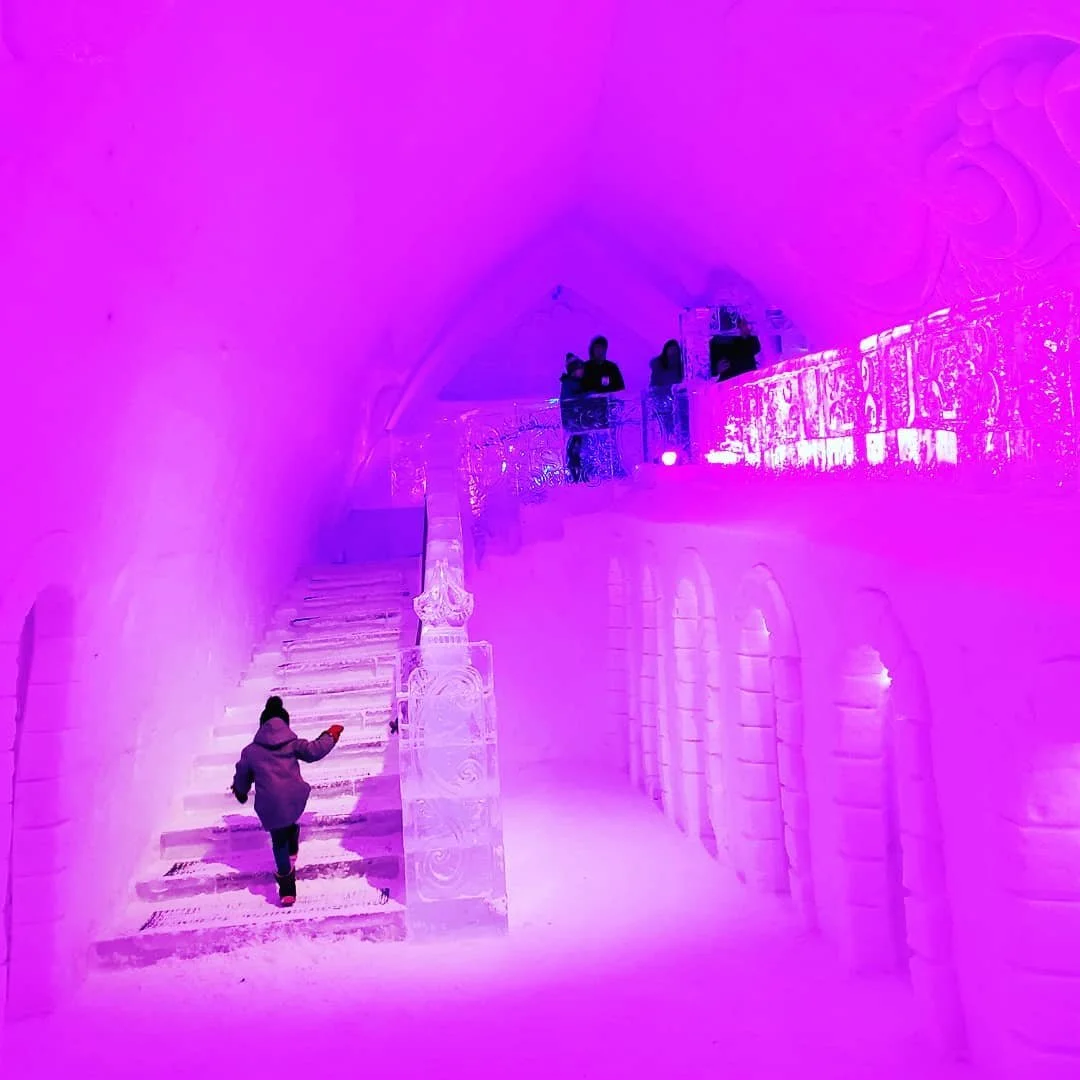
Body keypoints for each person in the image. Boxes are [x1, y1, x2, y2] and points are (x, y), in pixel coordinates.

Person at [231, 695, 344, 906]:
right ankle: (292, 837)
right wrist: (330, 735)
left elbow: (242, 775)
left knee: (279, 841)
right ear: (285, 724)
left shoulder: (251, 752)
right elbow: (314, 750)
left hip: (270, 804)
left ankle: (287, 889)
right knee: (287, 819)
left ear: (262, 725)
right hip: (293, 797)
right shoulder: (293, 745)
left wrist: (240, 791)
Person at [648, 340, 686, 460]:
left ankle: (682, 453)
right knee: (666, 430)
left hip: (681, 404)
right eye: (671, 349)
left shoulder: (683, 366)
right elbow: (654, 384)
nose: (673, 352)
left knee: (681, 429)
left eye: (675, 349)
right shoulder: (659, 367)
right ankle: (665, 453)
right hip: (664, 403)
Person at [559, 353, 588, 483]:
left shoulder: (577, 383)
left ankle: (579, 473)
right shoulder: (568, 384)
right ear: (573, 371)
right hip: (574, 421)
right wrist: (586, 396)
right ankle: (576, 474)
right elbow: (569, 401)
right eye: (579, 369)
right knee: (575, 447)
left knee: (578, 446)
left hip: (579, 421)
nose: (582, 371)